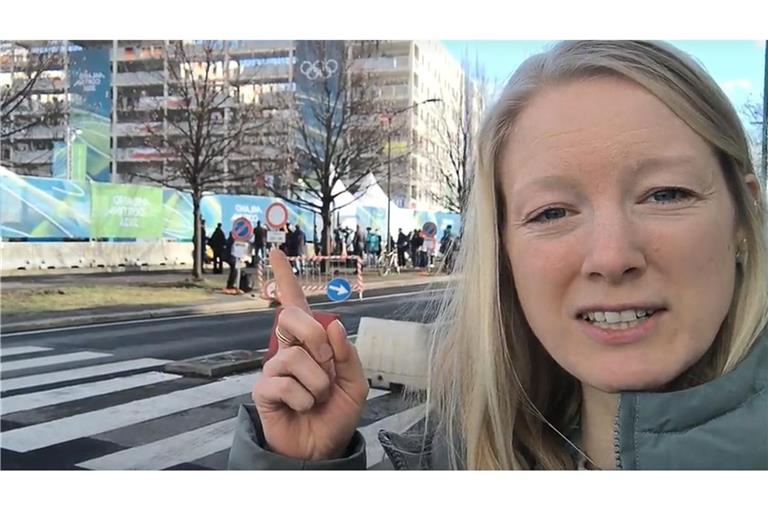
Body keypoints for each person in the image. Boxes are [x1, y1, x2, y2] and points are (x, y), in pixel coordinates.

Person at [229, 41, 768, 470]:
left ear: (744, 217)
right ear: (503, 251)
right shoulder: (458, 455)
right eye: (552, 213)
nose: (611, 256)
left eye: (665, 194)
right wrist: (300, 465)